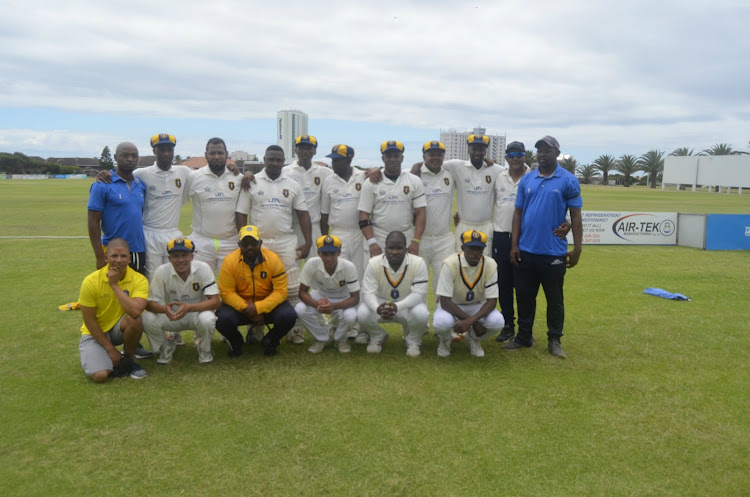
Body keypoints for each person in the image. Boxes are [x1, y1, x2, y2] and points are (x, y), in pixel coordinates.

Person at [508, 136, 583, 358]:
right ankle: (524, 337)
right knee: (524, 297)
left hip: (554, 253)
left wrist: (577, 248)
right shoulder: (527, 179)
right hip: (526, 251)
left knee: (555, 299)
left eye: (547, 150)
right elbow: (518, 213)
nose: (542, 154)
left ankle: (554, 340)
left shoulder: (568, 180)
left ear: (557, 153)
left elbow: (576, 216)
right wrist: (514, 245)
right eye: (539, 150)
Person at [235, 145, 312, 344]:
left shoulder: (293, 183)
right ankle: (256, 329)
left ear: (284, 161)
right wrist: (244, 242)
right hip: (260, 242)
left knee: (293, 288)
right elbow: (241, 214)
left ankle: (294, 330)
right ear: (264, 159)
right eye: (271, 159)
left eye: (279, 160)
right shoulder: (251, 182)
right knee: (259, 286)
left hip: (286, 240)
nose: (275, 163)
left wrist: (308, 242)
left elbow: (303, 214)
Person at [411, 134, 502, 256]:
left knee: (484, 264)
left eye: (481, 149)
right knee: (461, 263)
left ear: (485, 151)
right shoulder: (456, 165)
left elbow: (520, 170)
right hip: (463, 225)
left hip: (486, 226)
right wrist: (416, 166)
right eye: (474, 149)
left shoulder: (495, 169)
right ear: (468, 150)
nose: (477, 152)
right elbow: (433, 162)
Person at [216, 225, 297, 357]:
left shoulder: (273, 260)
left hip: (267, 306)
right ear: (239, 244)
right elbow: (226, 293)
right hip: (241, 307)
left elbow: (281, 292)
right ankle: (236, 342)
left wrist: (258, 308)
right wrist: (247, 308)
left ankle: (271, 341)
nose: (249, 247)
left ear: (260, 243)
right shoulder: (229, 261)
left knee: (288, 315)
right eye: (245, 243)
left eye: (253, 242)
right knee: (221, 319)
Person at [77, 238, 148, 382]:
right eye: (114, 256)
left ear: (129, 258)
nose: (119, 260)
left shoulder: (139, 280)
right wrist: (110, 350)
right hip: (95, 333)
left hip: (118, 329)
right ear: (106, 258)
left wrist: (114, 285)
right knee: (100, 376)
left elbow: (135, 312)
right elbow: (89, 321)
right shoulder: (90, 281)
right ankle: (108, 359)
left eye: (123, 256)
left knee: (135, 320)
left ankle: (127, 360)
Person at [142, 238, 220, 364]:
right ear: (169, 258)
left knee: (208, 318)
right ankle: (166, 348)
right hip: (172, 315)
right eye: (175, 256)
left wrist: (189, 307)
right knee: (147, 319)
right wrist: (164, 309)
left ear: (192, 256)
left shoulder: (203, 268)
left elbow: (215, 302)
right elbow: (150, 303)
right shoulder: (162, 271)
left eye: (185, 255)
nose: (180, 260)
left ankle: (204, 349)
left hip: (196, 314)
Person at [357, 231, 429, 357]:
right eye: (391, 248)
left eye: (399, 248)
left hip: (406, 305)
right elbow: (368, 293)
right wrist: (377, 308)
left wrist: (397, 306)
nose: (394, 252)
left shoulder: (418, 262)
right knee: (362, 313)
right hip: (382, 304)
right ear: (385, 248)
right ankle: (377, 336)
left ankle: (413, 340)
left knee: (422, 314)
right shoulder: (374, 263)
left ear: (406, 249)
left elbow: (418, 294)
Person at [433, 230, 504, 358]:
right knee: (441, 323)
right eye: (471, 249)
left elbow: (492, 301)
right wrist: (473, 322)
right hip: (452, 305)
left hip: (476, 305)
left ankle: (473, 338)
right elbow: (445, 301)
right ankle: (445, 339)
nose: (475, 253)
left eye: (479, 249)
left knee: (498, 322)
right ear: (463, 248)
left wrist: (471, 320)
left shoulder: (490, 265)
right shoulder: (450, 264)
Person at [358, 141, 426, 258]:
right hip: (379, 236)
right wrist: (371, 242)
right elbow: (364, 214)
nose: (392, 159)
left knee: (406, 274)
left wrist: (416, 241)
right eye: (389, 156)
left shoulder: (414, 181)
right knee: (376, 274)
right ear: (383, 158)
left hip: (407, 236)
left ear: (402, 158)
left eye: (396, 156)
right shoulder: (371, 182)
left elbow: (421, 212)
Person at [492, 141, 531, 343]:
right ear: (506, 158)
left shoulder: (534, 176)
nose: (515, 158)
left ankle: (526, 330)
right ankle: (508, 325)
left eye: (519, 154)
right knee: (504, 285)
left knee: (524, 286)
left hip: (526, 239)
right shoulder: (499, 176)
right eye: (511, 155)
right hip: (500, 236)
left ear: (525, 156)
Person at [87, 141, 147, 274]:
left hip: (138, 250)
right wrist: (99, 256)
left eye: (134, 155)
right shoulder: (101, 185)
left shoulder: (141, 185)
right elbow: (93, 222)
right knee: (112, 291)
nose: (130, 159)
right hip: (113, 252)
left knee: (136, 292)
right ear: (115, 157)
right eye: (125, 155)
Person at [295, 235, 360, 354]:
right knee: (300, 309)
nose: (329, 258)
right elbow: (302, 292)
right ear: (319, 253)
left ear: (339, 252)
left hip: (343, 298)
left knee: (350, 316)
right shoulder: (311, 263)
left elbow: (355, 298)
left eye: (333, 253)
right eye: (325, 254)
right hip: (320, 296)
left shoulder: (348, 267)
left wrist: (333, 306)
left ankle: (340, 338)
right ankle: (322, 338)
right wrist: (317, 304)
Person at [188, 137, 242, 275]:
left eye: (220, 153)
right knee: (200, 284)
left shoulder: (238, 178)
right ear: (206, 155)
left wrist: (247, 173)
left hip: (230, 241)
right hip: (202, 241)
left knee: (232, 285)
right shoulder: (194, 177)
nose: (216, 156)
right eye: (212, 153)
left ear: (226, 154)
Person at [319, 144, 368, 280]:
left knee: (359, 273)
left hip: (360, 233)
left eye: (337, 160)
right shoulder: (328, 181)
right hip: (338, 233)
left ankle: (359, 302)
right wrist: (325, 239)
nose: (333, 163)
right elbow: (324, 214)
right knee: (339, 273)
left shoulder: (363, 177)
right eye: (333, 160)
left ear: (349, 160)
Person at [414, 141, 456, 294]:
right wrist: (372, 170)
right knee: (418, 285)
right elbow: (389, 171)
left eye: (439, 154)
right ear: (424, 156)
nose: (435, 157)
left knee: (444, 283)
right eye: (431, 154)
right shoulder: (413, 174)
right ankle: (420, 317)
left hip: (444, 239)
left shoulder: (450, 173)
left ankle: (442, 317)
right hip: (420, 239)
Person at [285, 135, 333, 245]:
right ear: (296, 151)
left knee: (315, 262)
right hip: (292, 227)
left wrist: (371, 171)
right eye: (301, 148)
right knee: (292, 261)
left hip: (314, 226)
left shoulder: (324, 172)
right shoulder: (285, 172)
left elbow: (343, 175)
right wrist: (248, 175)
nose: (305, 152)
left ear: (314, 151)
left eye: (308, 149)